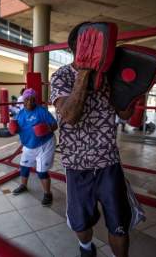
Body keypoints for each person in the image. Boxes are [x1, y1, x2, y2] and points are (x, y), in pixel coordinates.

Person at [50, 25, 134, 257]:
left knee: (119, 223)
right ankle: (86, 248)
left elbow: (126, 115)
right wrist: (85, 74)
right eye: (94, 44)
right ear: (77, 48)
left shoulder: (110, 77)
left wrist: (136, 88)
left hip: (108, 163)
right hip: (77, 166)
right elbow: (69, 116)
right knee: (81, 223)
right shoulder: (62, 76)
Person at [10, 88, 58, 206]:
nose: (30, 102)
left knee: (41, 171)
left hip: (45, 144)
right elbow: (14, 127)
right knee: (24, 166)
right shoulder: (20, 114)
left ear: (35, 100)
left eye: (32, 99)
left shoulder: (42, 111)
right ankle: (23, 186)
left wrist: (47, 128)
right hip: (28, 145)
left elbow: (55, 125)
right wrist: (12, 129)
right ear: (23, 100)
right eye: (27, 99)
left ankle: (47, 193)